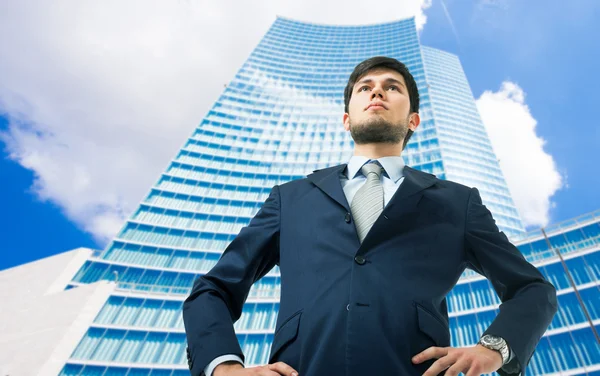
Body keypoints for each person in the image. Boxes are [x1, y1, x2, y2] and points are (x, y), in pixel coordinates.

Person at [183, 56, 558, 376]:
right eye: (365, 87)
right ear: (347, 120)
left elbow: (531, 289)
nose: (377, 91)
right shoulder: (291, 198)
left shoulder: (458, 203)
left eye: (392, 87)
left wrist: (494, 349)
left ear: (413, 121)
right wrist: (223, 365)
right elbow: (213, 289)